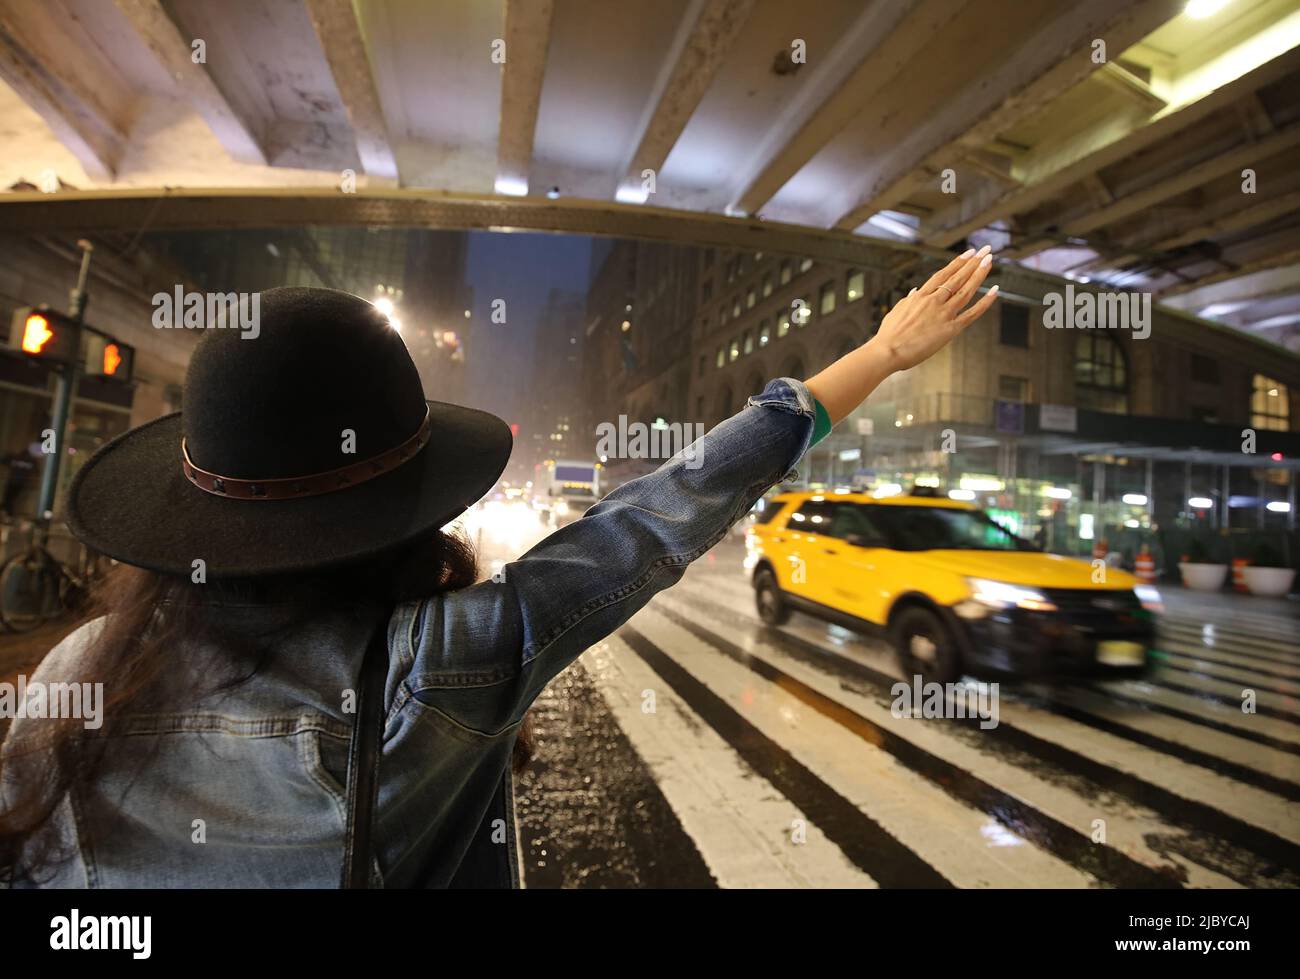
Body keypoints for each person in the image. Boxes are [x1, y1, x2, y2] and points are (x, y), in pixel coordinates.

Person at [0, 248, 998, 888]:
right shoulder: (430, 666)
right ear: (404, 502)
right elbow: (649, 524)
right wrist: (877, 354)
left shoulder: (79, 668)